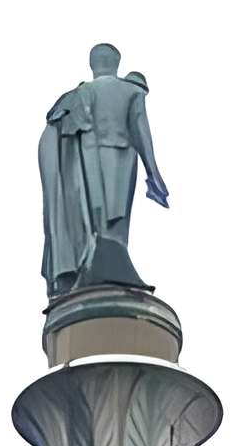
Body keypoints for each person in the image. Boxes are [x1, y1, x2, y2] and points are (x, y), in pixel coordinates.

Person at [39, 44, 168, 294]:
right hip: (119, 155)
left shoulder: (76, 96)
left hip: (85, 161)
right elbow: (140, 130)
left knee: (94, 217)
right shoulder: (131, 91)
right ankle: (111, 267)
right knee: (116, 220)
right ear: (117, 64)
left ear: (92, 65)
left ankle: (99, 264)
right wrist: (153, 173)